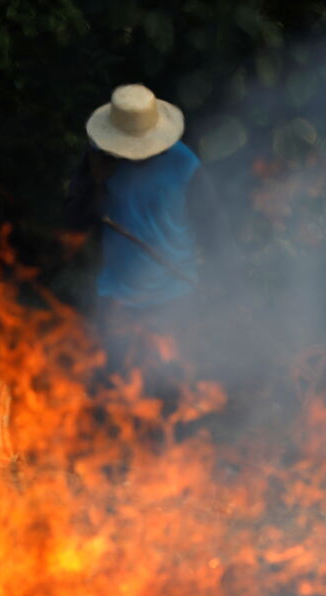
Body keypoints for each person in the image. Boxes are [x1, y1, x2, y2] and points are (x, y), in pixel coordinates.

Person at [64, 84, 233, 378]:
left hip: (174, 300)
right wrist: (96, 183)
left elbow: (215, 231)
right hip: (117, 299)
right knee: (115, 389)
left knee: (168, 390)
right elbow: (74, 222)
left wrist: (227, 286)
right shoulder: (100, 161)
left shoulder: (185, 166)